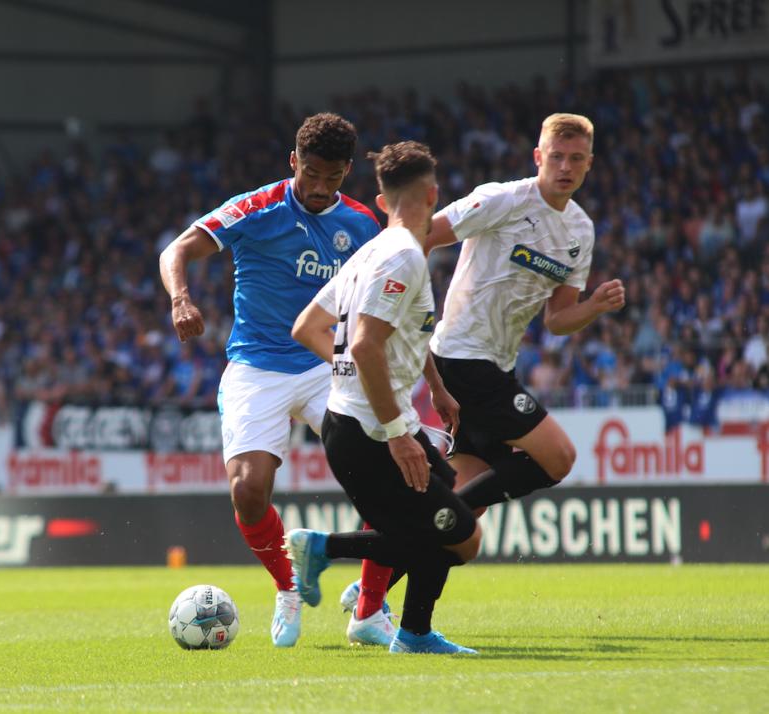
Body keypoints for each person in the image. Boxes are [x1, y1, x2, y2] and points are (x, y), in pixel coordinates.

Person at [159, 113, 386, 648]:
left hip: (325, 362)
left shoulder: (361, 226)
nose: (319, 187)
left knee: (385, 484)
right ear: (293, 162)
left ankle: (370, 610)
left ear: (347, 173)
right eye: (311, 173)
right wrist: (181, 297)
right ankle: (288, 589)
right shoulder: (256, 208)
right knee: (248, 491)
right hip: (257, 364)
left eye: (332, 178)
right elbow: (178, 250)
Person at [287, 141, 482, 654]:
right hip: (370, 433)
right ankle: (320, 550)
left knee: (454, 516)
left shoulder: (369, 252)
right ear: (433, 195)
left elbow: (308, 327)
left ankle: (414, 631)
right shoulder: (402, 255)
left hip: (353, 421)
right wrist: (399, 433)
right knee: (457, 536)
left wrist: (432, 387)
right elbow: (366, 342)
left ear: (380, 200)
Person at [425, 112, 625, 512]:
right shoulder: (503, 200)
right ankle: (444, 518)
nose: (565, 167)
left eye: (576, 158)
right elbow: (423, 235)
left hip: (497, 366)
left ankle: (358, 559)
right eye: (556, 156)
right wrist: (412, 312)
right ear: (538, 157)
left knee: (459, 525)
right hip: (463, 357)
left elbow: (557, 319)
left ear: (590, 163)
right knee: (559, 457)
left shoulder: (580, 231)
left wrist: (594, 307)